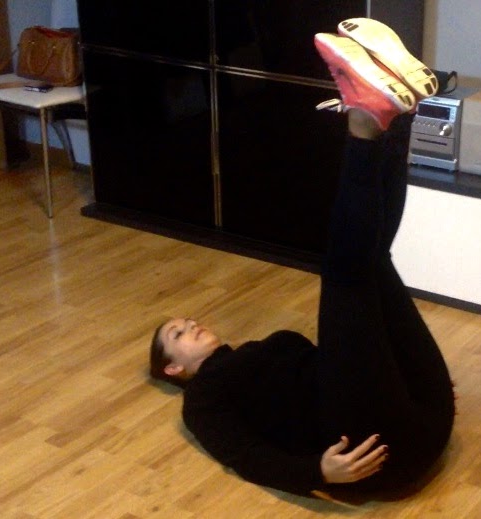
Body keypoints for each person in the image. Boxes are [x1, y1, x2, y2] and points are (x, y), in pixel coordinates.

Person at [149, 18, 455, 496]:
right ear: (174, 369)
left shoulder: (253, 354)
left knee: (373, 262)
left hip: (421, 416)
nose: (192, 325)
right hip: (374, 456)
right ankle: (367, 121)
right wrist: (317, 473)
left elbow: (358, 361)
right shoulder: (203, 399)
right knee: (345, 274)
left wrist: (401, 374)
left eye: (186, 322)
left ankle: (399, 115)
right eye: (178, 334)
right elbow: (243, 456)